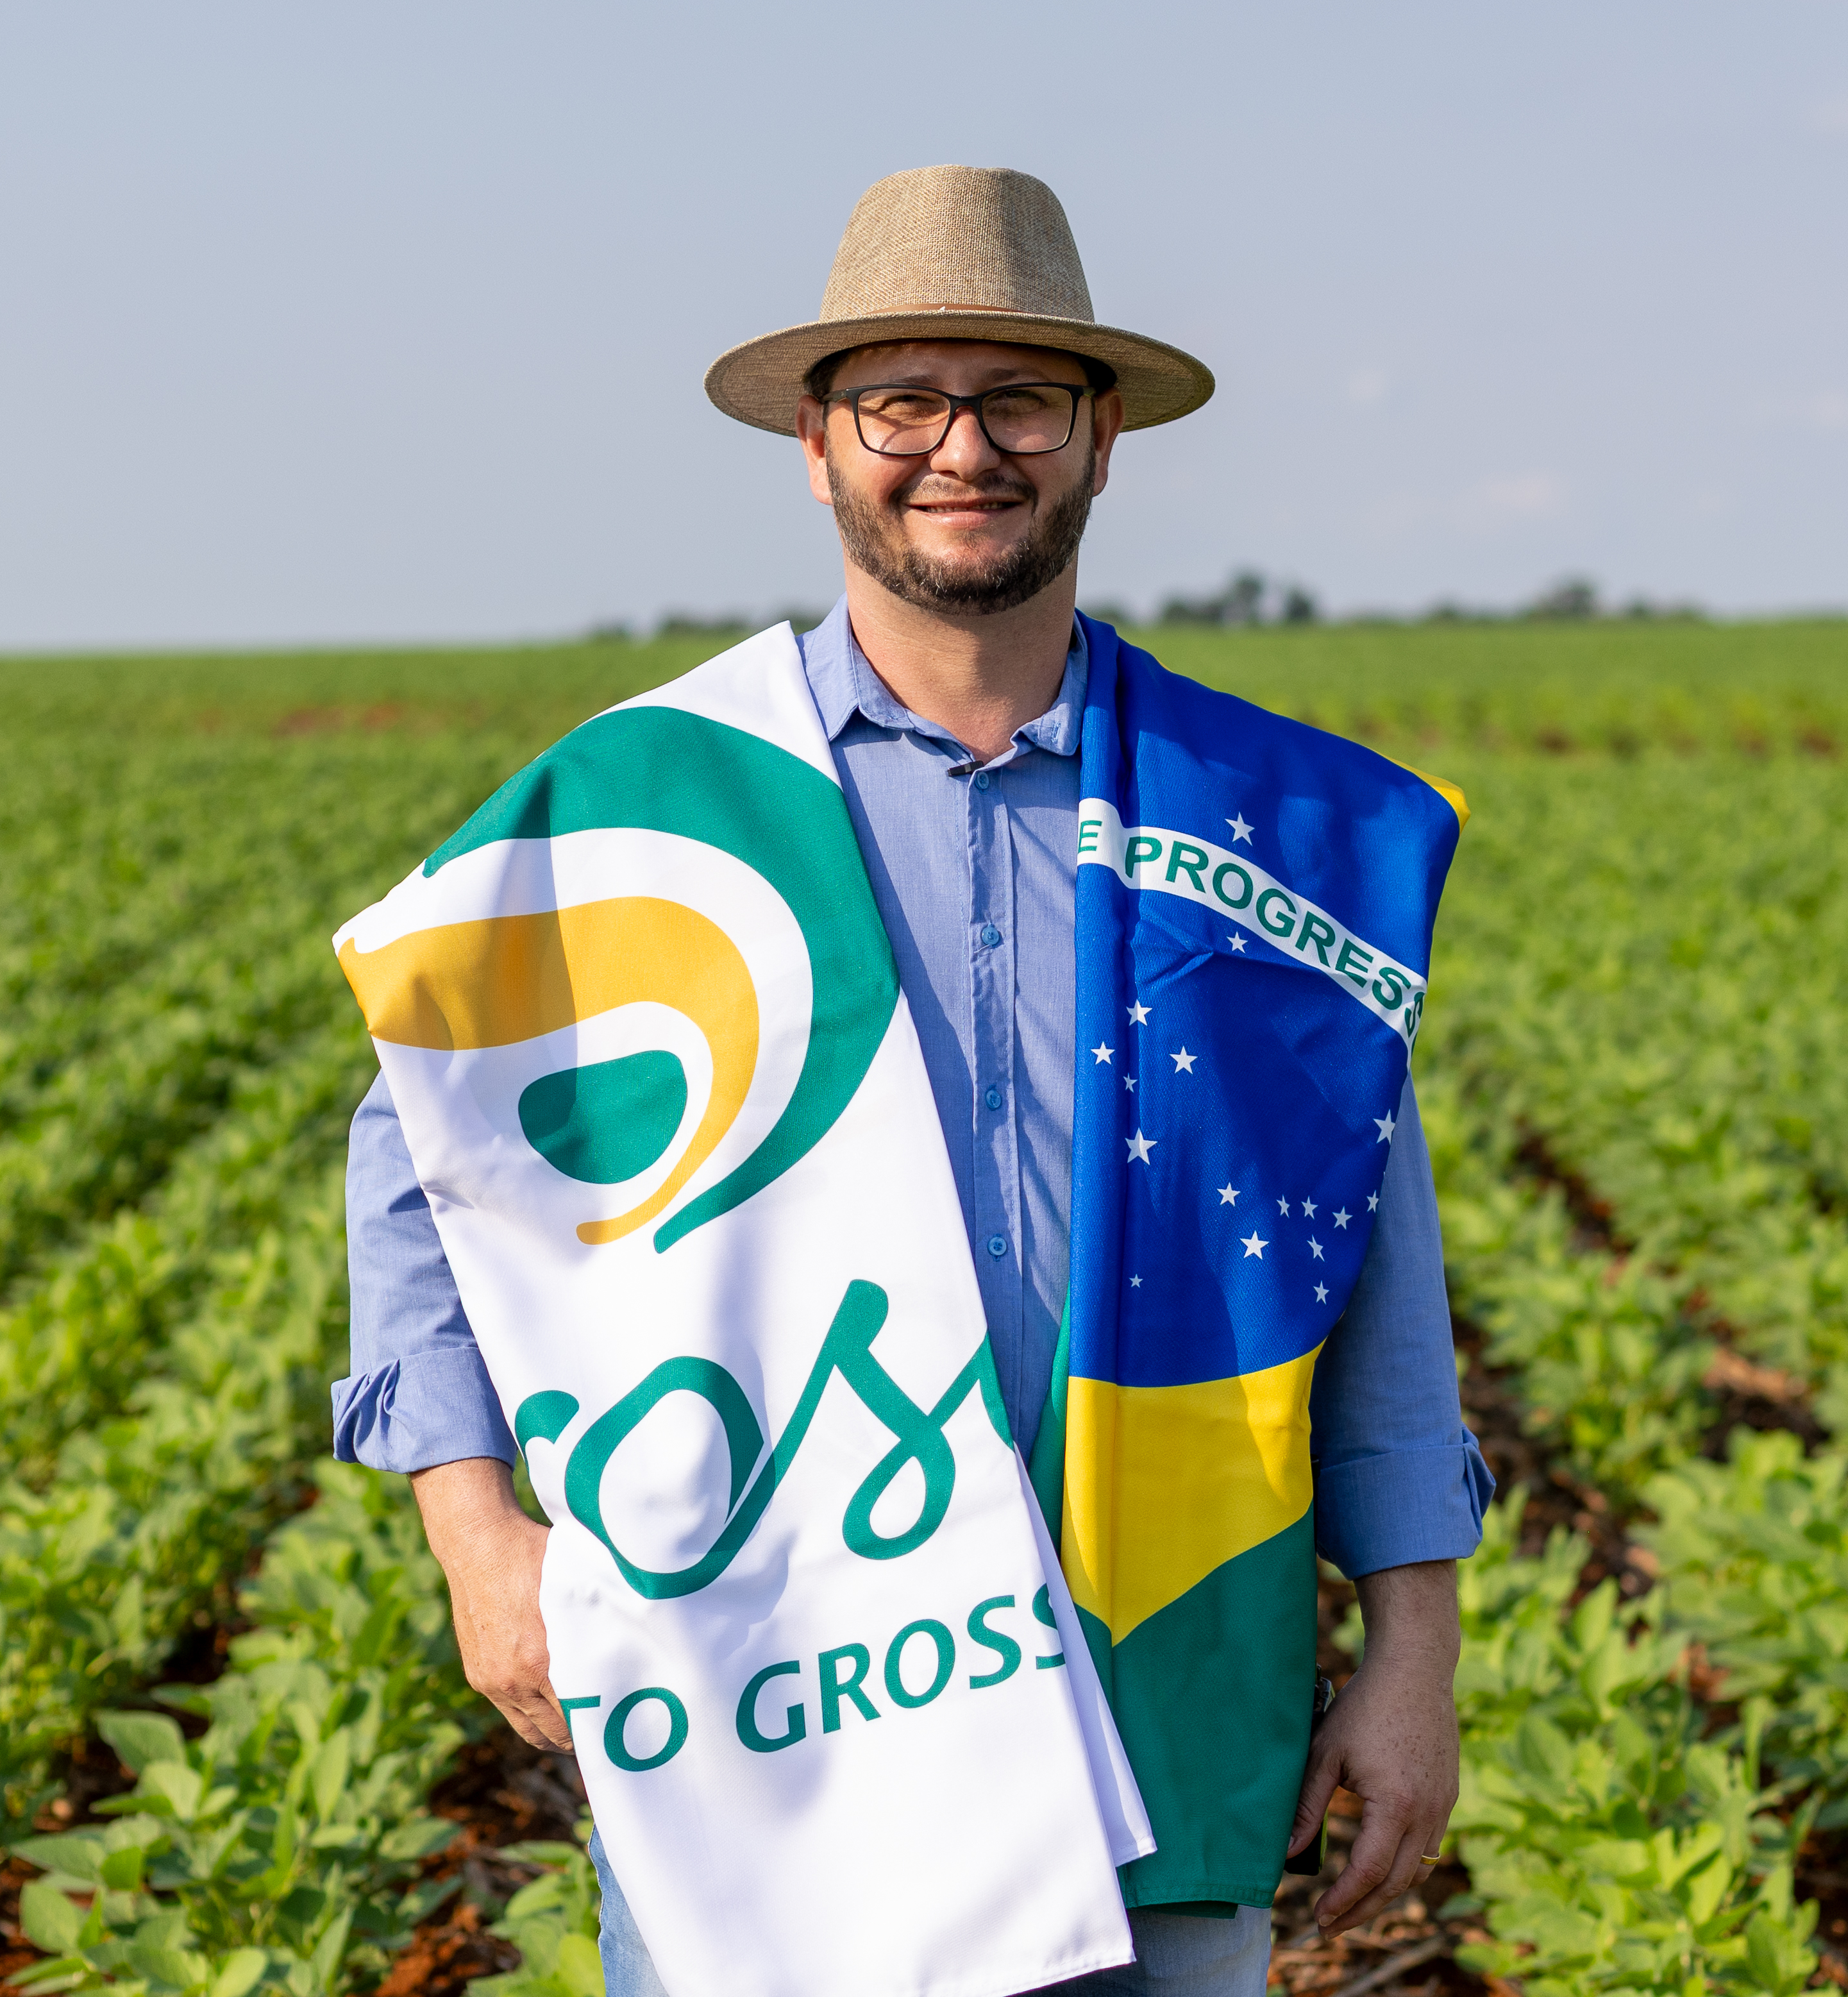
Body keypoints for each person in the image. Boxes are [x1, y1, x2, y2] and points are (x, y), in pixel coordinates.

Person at [333, 165, 1491, 1996]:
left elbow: (1367, 1249)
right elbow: (419, 1149)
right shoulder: (662, 806)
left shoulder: (1263, 825)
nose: (964, 447)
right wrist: (476, 1530)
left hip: (1156, 1677)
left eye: (1020, 396)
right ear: (820, 443)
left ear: (1102, 440)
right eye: (905, 401)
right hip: (779, 1684)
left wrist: (1412, 1654)